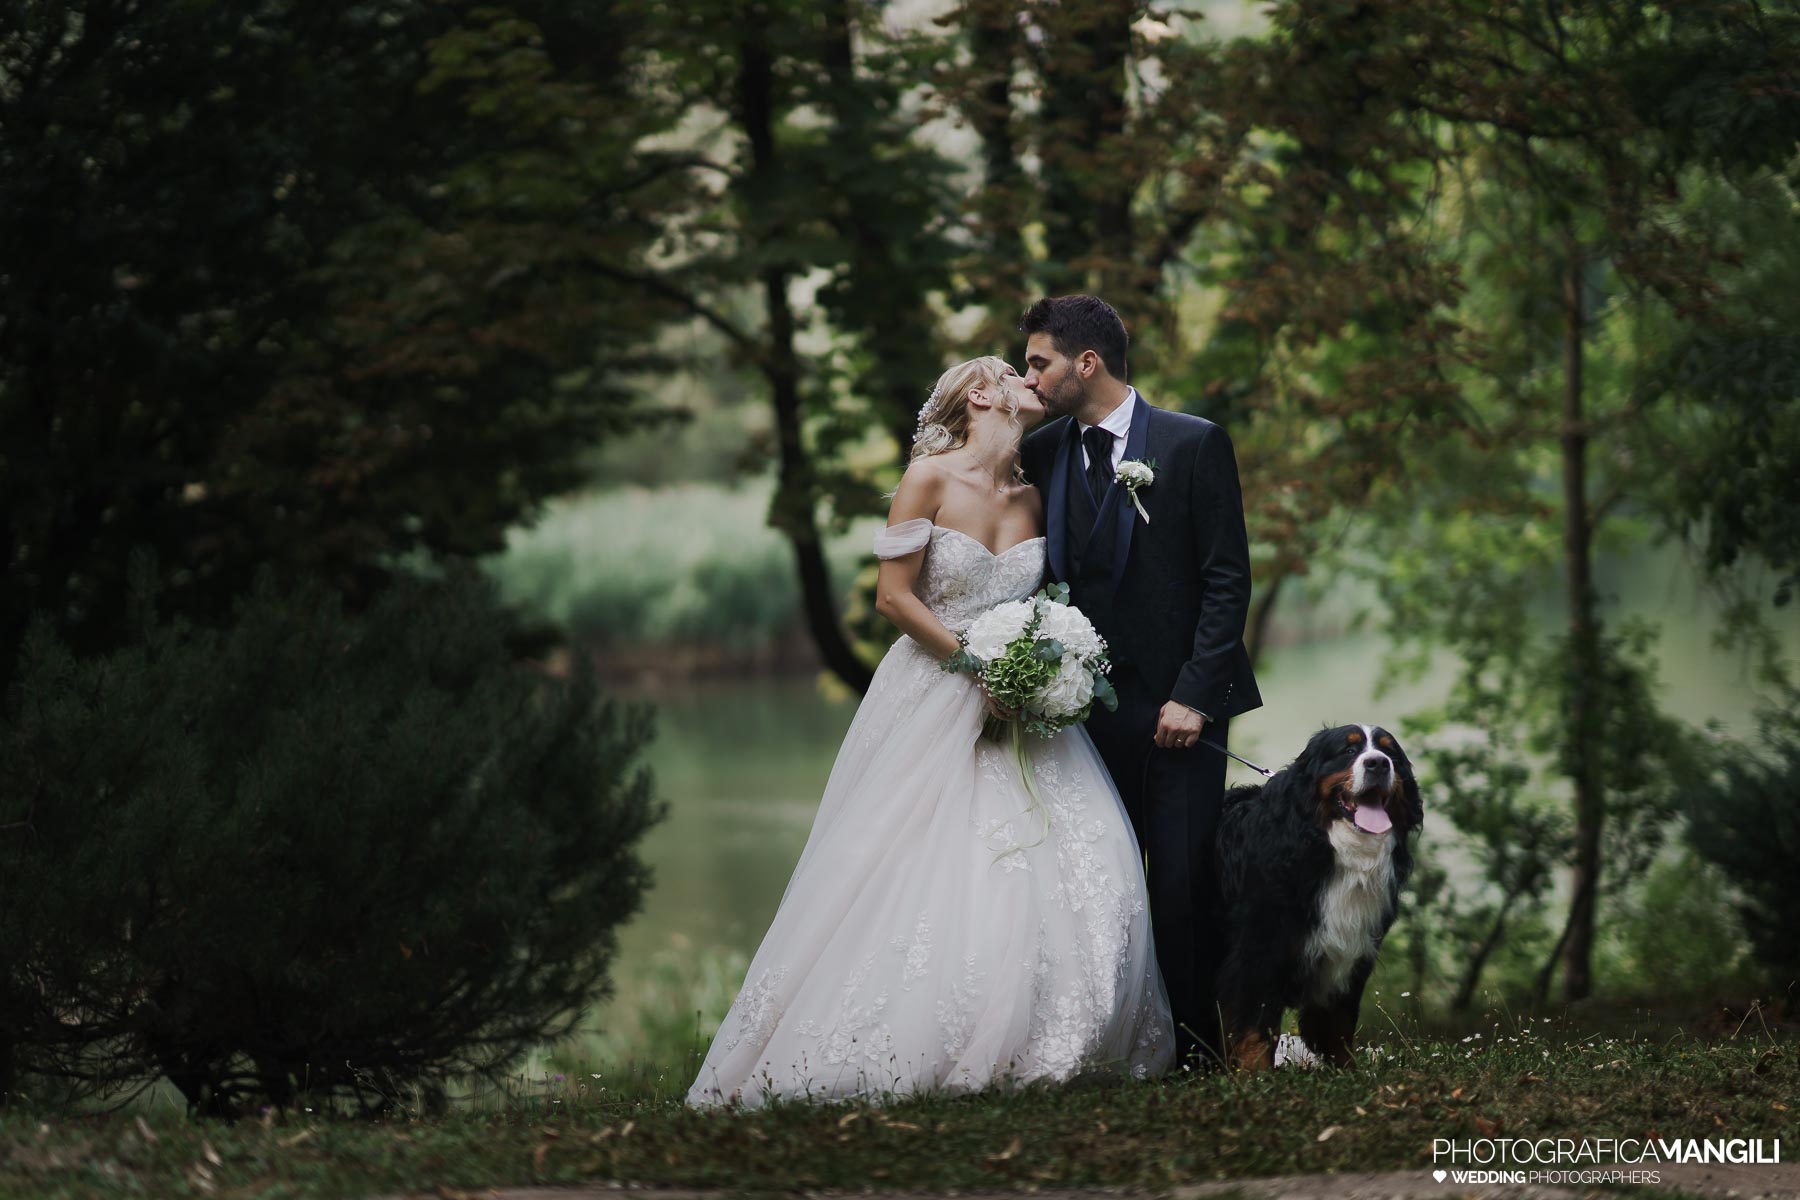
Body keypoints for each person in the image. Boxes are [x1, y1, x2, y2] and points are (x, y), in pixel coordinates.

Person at [687, 355, 1172, 1107]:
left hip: (1022, 702)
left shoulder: (1035, 493)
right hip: (936, 688)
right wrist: (978, 667)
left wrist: (1042, 664)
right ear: (980, 394)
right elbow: (894, 597)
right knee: (914, 859)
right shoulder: (929, 478)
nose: (1030, 379)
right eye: (1013, 371)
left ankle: (1053, 1038)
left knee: (1083, 851)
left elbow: (1047, 596)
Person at [1018, 296, 1262, 1069]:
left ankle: (1198, 1049)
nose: (1031, 378)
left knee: (1183, 882)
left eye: (1039, 362)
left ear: (1087, 362)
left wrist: (1194, 694)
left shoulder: (1193, 443)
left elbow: (1227, 579)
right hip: (1083, 712)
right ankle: (1120, 1045)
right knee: (1105, 883)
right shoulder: (1044, 451)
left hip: (1180, 707)